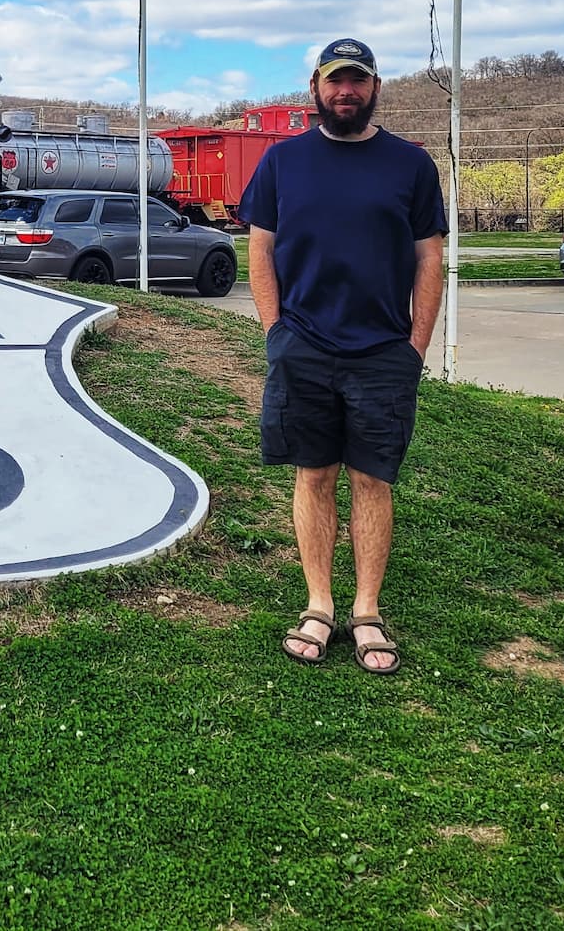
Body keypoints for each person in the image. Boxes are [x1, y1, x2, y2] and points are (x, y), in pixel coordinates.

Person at [234, 38, 446, 674]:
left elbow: (428, 256)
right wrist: (276, 332)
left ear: (376, 86)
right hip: (304, 347)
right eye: (335, 81)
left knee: (373, 480)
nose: (345, 91)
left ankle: (368, 611)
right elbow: (261, 252)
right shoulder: (282, 163)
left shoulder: (410, 165)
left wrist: (414, 346)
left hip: (383, 350)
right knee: (313, 475)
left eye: (357, 80)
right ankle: (319, 602)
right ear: (315, 87)